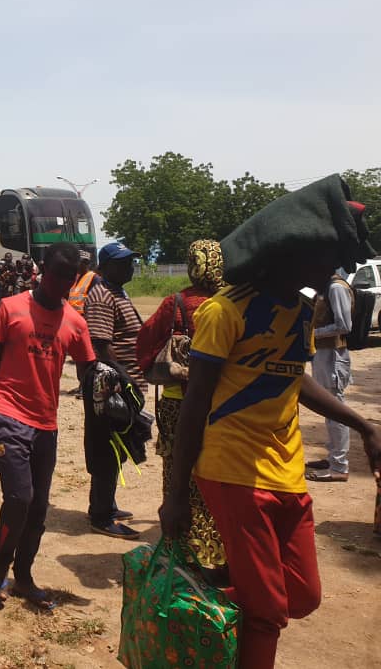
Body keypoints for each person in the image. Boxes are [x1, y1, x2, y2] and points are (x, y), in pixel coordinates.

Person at [160, 178, 381, 668]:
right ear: (291, 256)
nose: (332, 270)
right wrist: (175, 494)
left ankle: (219, 601)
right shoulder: (224, 311)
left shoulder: (298, 310)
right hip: (232, 470)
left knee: (302, 596)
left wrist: (364, 424)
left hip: (287, 470)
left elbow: (293, 379)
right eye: (324, 260)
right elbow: (195, 403)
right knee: (268, 613)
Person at [0, 243, 95, 606]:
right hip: (6, 412)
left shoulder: (75, 323)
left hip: (46, 422)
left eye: (70, 277)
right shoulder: (11, 308)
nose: (63, 283)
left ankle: (25, 575)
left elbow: (90, 368)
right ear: (42, 270)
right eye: (58, 274)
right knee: (19, 497)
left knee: (39, 507)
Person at [135, 239, 226, 568]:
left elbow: (144, 343)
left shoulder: (174, 304)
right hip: (221, 406)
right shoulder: (230, 304)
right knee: (215, 469)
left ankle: (178, 541)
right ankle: (214, 545)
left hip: (177, 404)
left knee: (176, 469)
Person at [82, 241, 144, 539]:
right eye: (123, 262)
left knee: (118, 447)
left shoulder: (117, 291)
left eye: (131, 261)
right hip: (113, 386)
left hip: (126, 381)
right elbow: (102, 347)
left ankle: (106, 503)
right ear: (105, 267)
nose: (130, 267)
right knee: (107, 448)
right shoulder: (101, 296)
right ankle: (101, 515)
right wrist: (126, 382)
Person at [305, 271, 355, 482]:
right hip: (324, 355)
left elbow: (345, 326)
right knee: (330, 410)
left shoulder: (336, 288)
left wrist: (311, 334)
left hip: (332, 357)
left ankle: (339, 466)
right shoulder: (326, 287)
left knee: (335, 410)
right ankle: (333, 458)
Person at [67, 250, 96, 315]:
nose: (76, 264)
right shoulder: (76, 277)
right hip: (72, 315)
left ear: (86, 264)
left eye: (79, 262)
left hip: (83, 316)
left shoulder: (94, 278)